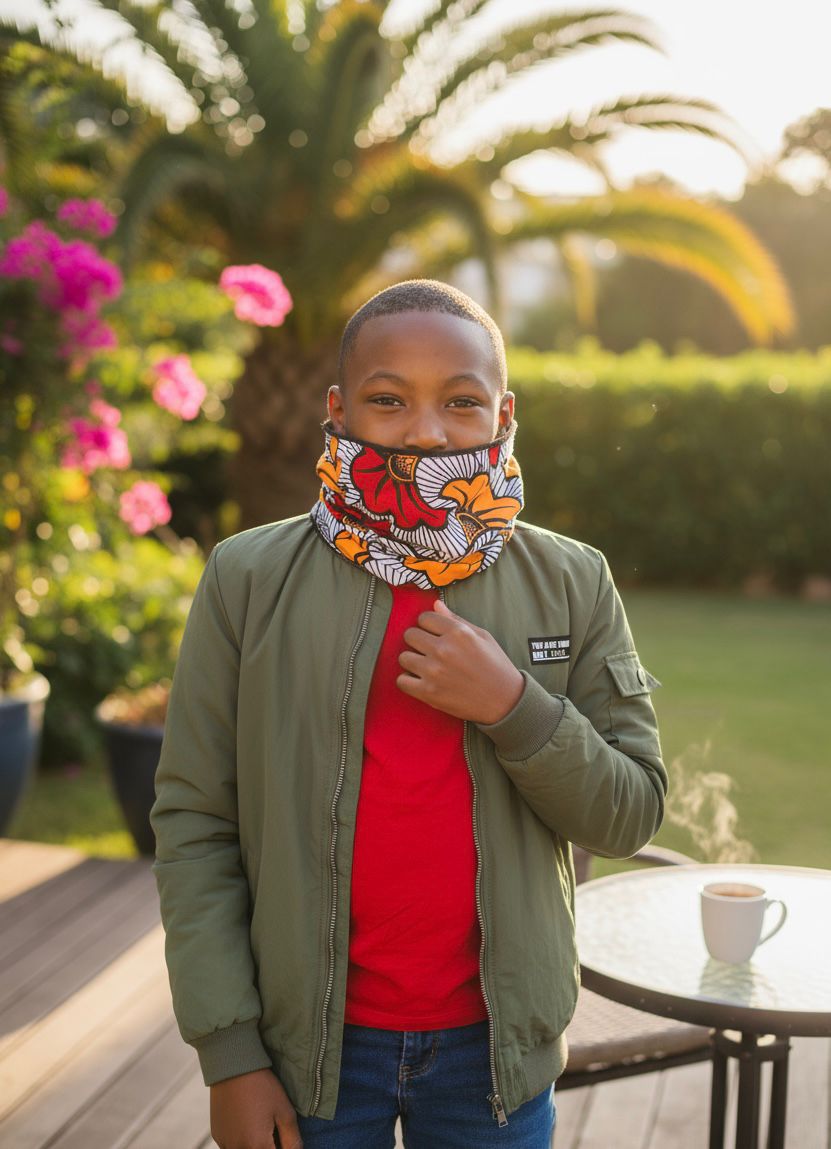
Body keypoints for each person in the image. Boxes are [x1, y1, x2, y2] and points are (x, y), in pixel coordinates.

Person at [150, 278, 668, 1149]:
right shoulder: (246, 579)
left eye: (459, 403)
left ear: (502, 413)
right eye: (388, 401)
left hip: (493, 1057)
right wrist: (231, 1054)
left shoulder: (574, 580)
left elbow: (630, 811)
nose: (426, 432)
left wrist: (512, 705)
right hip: (304, 1049)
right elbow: (195, 818)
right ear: (338, 407)